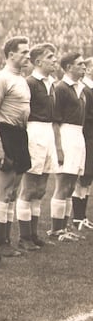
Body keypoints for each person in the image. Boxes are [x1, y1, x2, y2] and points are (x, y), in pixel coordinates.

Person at [0, 36, 32, 257]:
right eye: (23, 52)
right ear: (11, 54)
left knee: (13, 191)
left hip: (20, 135)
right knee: (3, 191)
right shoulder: (1, 78)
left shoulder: (21, 78)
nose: (27, 55)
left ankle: (7, 240)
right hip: (5, 134)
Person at [15, 44, 59, 252]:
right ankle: (24, 237)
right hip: (34, 132)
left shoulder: (51, 82)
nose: (54, 60)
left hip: (48, 132)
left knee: (41, 190)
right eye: (50, 57)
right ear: (38, 61)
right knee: (29, 188)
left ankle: (33, 234)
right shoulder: (29, 83)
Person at [45, 52, 87, 241]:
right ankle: (56, 230)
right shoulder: (61, 88)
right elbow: (55, 122)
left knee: (71, 185)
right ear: (69, 67)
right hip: (66, 135)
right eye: (80, 64)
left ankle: (65, 226)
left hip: (78, 136)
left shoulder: (81, 88)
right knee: (63, 184)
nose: (84, 67)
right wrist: (59, 148)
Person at [70, 56, 93, 231]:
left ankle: (82, 217)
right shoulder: (84, 89)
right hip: (86, 137)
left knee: (87, 178)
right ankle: (77, 217)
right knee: (82, 177)